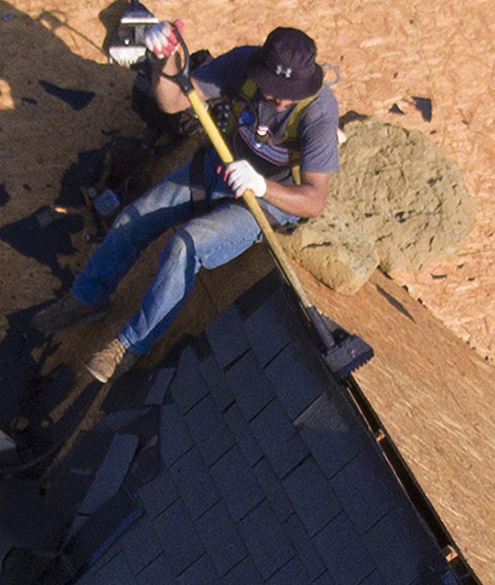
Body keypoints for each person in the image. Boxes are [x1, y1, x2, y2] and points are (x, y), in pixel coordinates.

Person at [32, 24, 340, 382]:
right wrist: (162, 60)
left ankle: (130, 346)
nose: (281, 100)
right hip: (218, 166)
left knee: (185, 247)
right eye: (275, 91)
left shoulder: (317, 111)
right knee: (135, 217)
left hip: (261, 201)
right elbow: (173, 102)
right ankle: (87, 299)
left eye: (290, 93)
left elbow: (314, 200)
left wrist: (261, 185)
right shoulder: (242, 63)